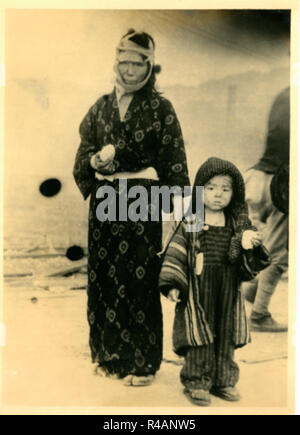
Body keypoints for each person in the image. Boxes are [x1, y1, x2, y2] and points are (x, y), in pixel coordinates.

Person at [73, 29, 190, 386]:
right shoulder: (99, 107)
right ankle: (109, 356)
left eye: (137, 63)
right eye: (123, 62)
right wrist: (95, 162)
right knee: (105, 277)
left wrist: (180, 210)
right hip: (106, 200)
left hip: (142, 199)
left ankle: (142, 363)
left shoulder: (161, 109)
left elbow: (174, 159)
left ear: (150, 66)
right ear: (115, 62)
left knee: (139, 277)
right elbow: (83, 155)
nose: (129, 70)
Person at [159, 157, 264, 406]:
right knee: (199, 332)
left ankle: (224, 380)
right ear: (199, 191)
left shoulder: (236, 224)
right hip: (199, 288)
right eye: (211, 188)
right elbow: (177, 250)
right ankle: (196, 381)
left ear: (234, 193)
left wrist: (250, 243)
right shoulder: (192, 221)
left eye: (225, 189)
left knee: (226, 332)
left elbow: (250, 260)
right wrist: (173, 283)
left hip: (228, 287)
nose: (218, 194)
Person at [243, 87, 289, 333]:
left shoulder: (285, 93)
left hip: (262, 176)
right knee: (281, 254)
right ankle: (259, 315)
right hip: (284, 181)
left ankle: (251, 290)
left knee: (272, 242)